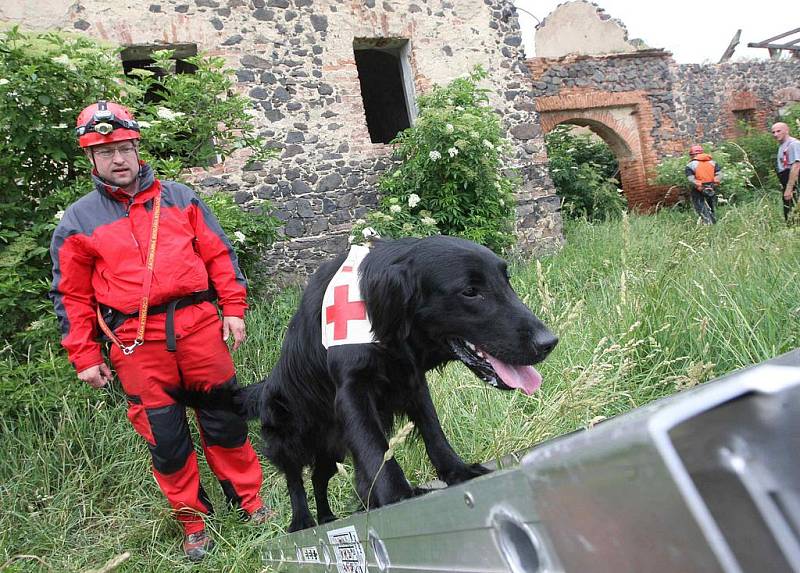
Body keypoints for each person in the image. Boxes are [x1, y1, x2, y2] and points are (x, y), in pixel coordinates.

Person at [49, 101, 272, 561]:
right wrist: (86, 357)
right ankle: (193, 522)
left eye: (125, 147)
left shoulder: (181, 198)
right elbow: (70, 296)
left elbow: (218, 255)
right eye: (106, 151)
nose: (119, 159)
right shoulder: (77, 221)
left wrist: (233, 308)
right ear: (90, 159)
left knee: (225, 423)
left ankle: (249, 502)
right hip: (137, 345)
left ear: (137, 147)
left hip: (200, 331)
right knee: (166, 440)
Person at [684, 144, 721, 225]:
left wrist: (700, 186)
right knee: (711, 205)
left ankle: (707, 223)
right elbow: (718, 174)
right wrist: (714, 185)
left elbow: (691, 179)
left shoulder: (690, 165)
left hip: (698, 188)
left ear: (692, 155)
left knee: (699, 205)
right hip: (712, 186)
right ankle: (713, 221)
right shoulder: (713, 162)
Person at [771, 122, 800, 222]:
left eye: (778, 131)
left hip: (793, 181)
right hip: (785, 180)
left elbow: (796, 166)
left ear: (786, 130)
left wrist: (789, 188)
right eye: (773, 132)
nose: (775, 134)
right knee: (788, 210)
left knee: (793, 210)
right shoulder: (782, 146)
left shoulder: (793, 144)